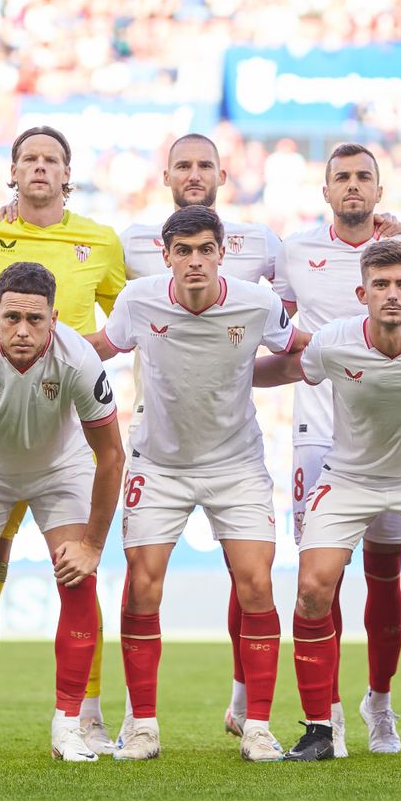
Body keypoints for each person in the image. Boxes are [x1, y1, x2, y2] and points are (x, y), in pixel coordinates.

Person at [120, 132, 401, 738]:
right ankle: (135, 719)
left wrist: (348, 354)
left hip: (243, 447)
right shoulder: (131, 256)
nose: (194, 174)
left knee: (262, 577)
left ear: (224, 175)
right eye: (184, 165)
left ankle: (256, 706)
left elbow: (290, 331)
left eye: (205, 165)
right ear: (166, 173)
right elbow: (106, 336)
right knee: (158, 583)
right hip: (169, 444)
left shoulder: (270, 248)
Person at [255, 240, 401, 764]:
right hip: (351, 475)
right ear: (361, 293)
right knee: (313, 589)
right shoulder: (333, 342)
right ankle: (319, 729)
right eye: (381, 285)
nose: (392, 294)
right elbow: (292, 368)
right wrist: (229, 375)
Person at [87, 205, 301, 762]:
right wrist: (38, 343)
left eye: (205, 249)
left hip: (236, 466)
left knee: (256, 585)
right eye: (183, 251)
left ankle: (256, 725)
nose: (195, 260)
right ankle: (143, 728)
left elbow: (298, 349)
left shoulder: (257, 303)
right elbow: (103, 347)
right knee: (142, 585)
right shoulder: (139, 300)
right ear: (166, 257)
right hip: (159, 466)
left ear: (221, 252)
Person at [0, 125, 125, 754]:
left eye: (52, 159)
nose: (41, 168)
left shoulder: (99, 240)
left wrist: (82, 354)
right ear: (14, 171)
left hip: (71, 429)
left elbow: (129, 318)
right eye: (29, 159)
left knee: (79, 571)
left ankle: (88, 716)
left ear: (66, 172)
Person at [0, 262, 126, 763]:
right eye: (11, 317)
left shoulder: (79, 359)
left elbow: (112, 456)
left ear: (54, 319)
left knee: (77, 578)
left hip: (60, 468)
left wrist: (92, 545)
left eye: (35, 320)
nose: (22, 330)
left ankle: (68, 726)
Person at [271, 143, 401, 756]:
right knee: (322, 580)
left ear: (379, 189)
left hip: (393, 436)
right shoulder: (297, 251)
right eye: (342, 177)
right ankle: (328, 714)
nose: (353, 186)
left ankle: (380, 704)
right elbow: (280, 333)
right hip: (318, 433)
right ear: (326, 190)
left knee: (386, 576)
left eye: (364, 176)